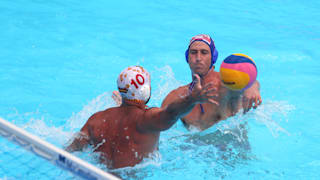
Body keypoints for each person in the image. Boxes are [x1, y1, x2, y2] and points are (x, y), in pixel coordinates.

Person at [66, 65, 218, 169]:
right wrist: (192, 99)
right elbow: (171, 113)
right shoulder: (146, 120)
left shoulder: (96, 120)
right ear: (145, 90)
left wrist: (122, 106)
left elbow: (70, 150)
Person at [161, 34, 262, 131]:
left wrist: (251, 87)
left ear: (213, 57)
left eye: (204, 52)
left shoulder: (224, 86)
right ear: (187, 57)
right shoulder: (176, 96)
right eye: (193, 52)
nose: (198, 58)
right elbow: (158, 124)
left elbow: (245, 80)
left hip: (232, 146)